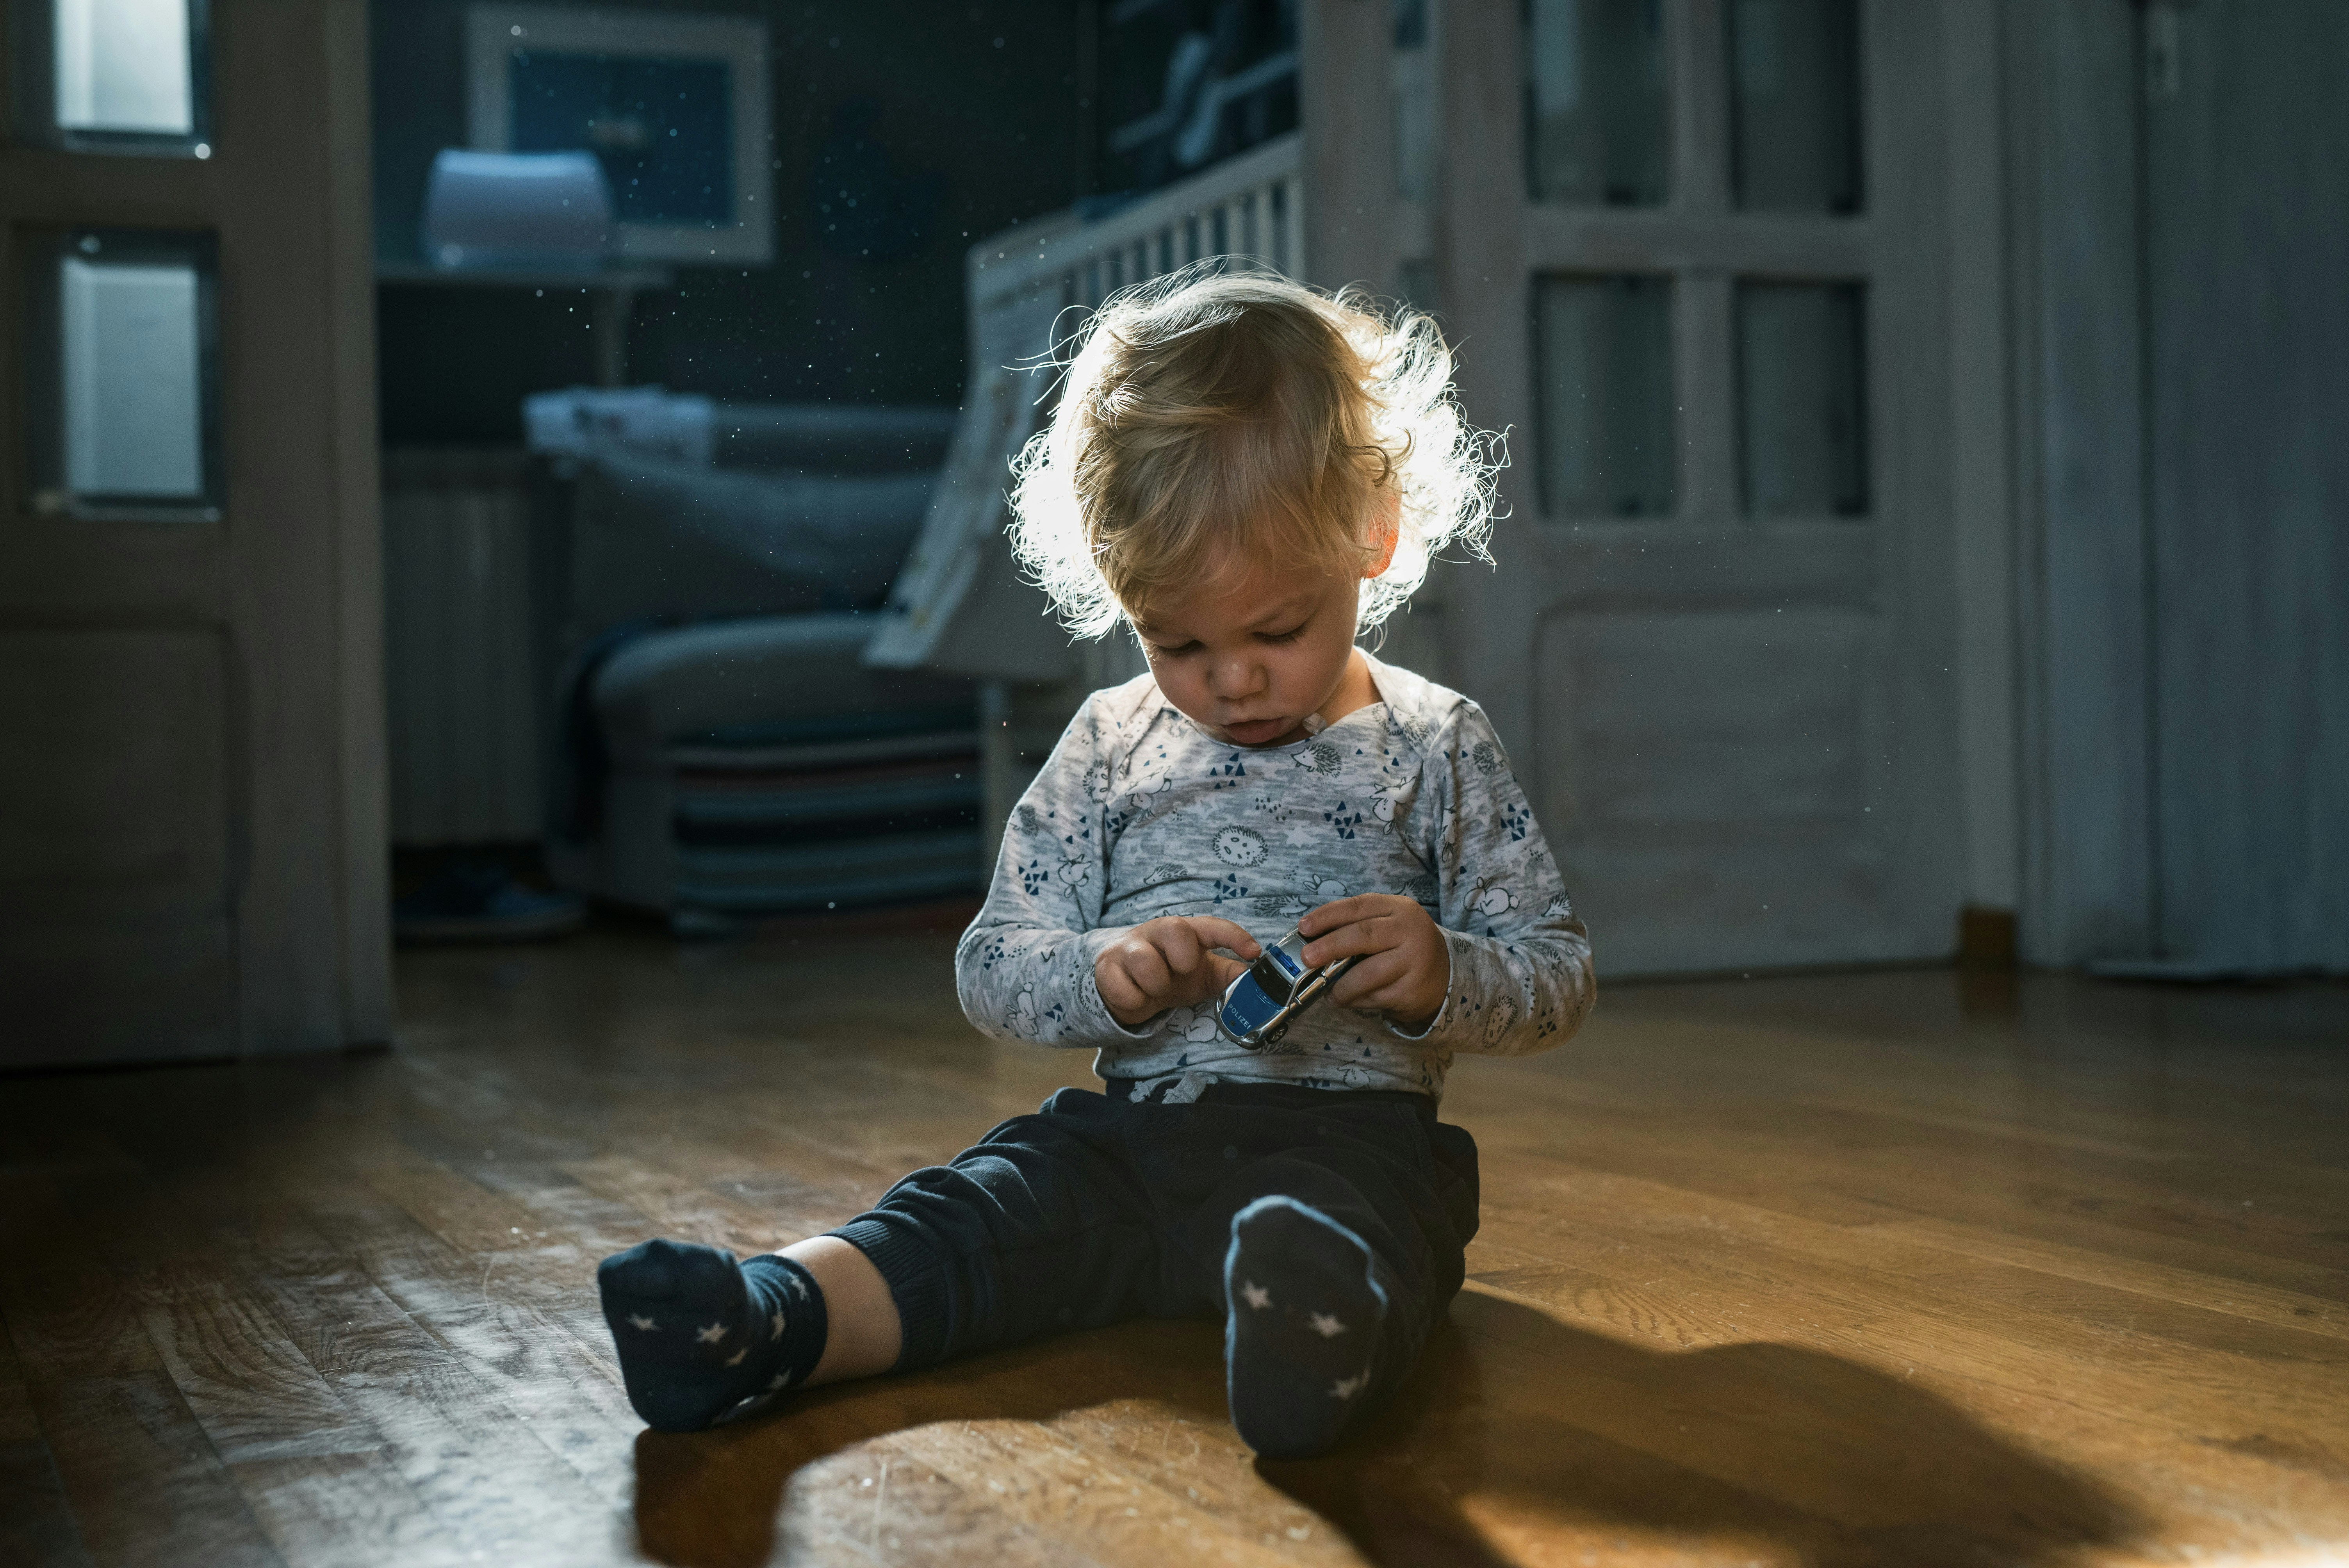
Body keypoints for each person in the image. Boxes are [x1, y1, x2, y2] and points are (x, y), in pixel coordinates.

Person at [595, 266, 1595, 1458]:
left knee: (1381, 1222)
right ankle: (767, 1320)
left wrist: (1442, 972)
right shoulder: (1111, 744)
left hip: (1350, 1147)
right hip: (1129, 1146)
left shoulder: (1436, 743)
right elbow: (994, 963)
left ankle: (1313, 1341)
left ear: (1371, 534)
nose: (1231, 679)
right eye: (1176, 641)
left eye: (1277, 630)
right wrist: (1107, 974)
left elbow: (1554, 974)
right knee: (969, 1212)